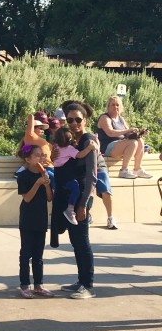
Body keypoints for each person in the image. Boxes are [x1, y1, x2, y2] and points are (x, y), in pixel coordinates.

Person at [51, 101, 98, 299]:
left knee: (81, 241)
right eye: (70, 120)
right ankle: (80, 281)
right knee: (75, 241)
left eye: (78, 119)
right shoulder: (69, 141)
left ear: (85, 120)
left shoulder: (88, 141)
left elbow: (92, 176)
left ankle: (87, 285)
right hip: (69, 196)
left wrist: (82, 204)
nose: (74, 123)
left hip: (80, 198)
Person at [14, 144, 54, 297]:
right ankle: (25, 285)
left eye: (43, 155)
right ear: (28, 159)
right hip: (27, 218)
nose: (41, 158)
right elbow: (27, 198)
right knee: (26, 253)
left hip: (41, 217)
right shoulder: (23, 176)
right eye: (38, 155)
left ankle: (39, 285)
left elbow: (50, 198)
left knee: (39, 254)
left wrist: (47, 184)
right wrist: (38, 183)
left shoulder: (46, 174)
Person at [51, 126, 99, 227]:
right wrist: (89, 148)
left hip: (58, 177)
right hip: (67, 177)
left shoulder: (56, 147)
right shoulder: (69, 149)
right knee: (76, 190)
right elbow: (80, 155)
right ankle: (70, 209)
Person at [96, 94, 150, 179]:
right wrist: (128, 130)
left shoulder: (121, 119)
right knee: (133, 143)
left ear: (120, 107)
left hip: (121, 144)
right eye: (113, 105)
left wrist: (140, 133)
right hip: (107, 146)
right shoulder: (105, 118)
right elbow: (110, 133)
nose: (115, 107)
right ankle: (123, 170)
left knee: (139, 141)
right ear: (108, 106)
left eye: (117, 105)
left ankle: (137, 169)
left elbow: (128, 134)